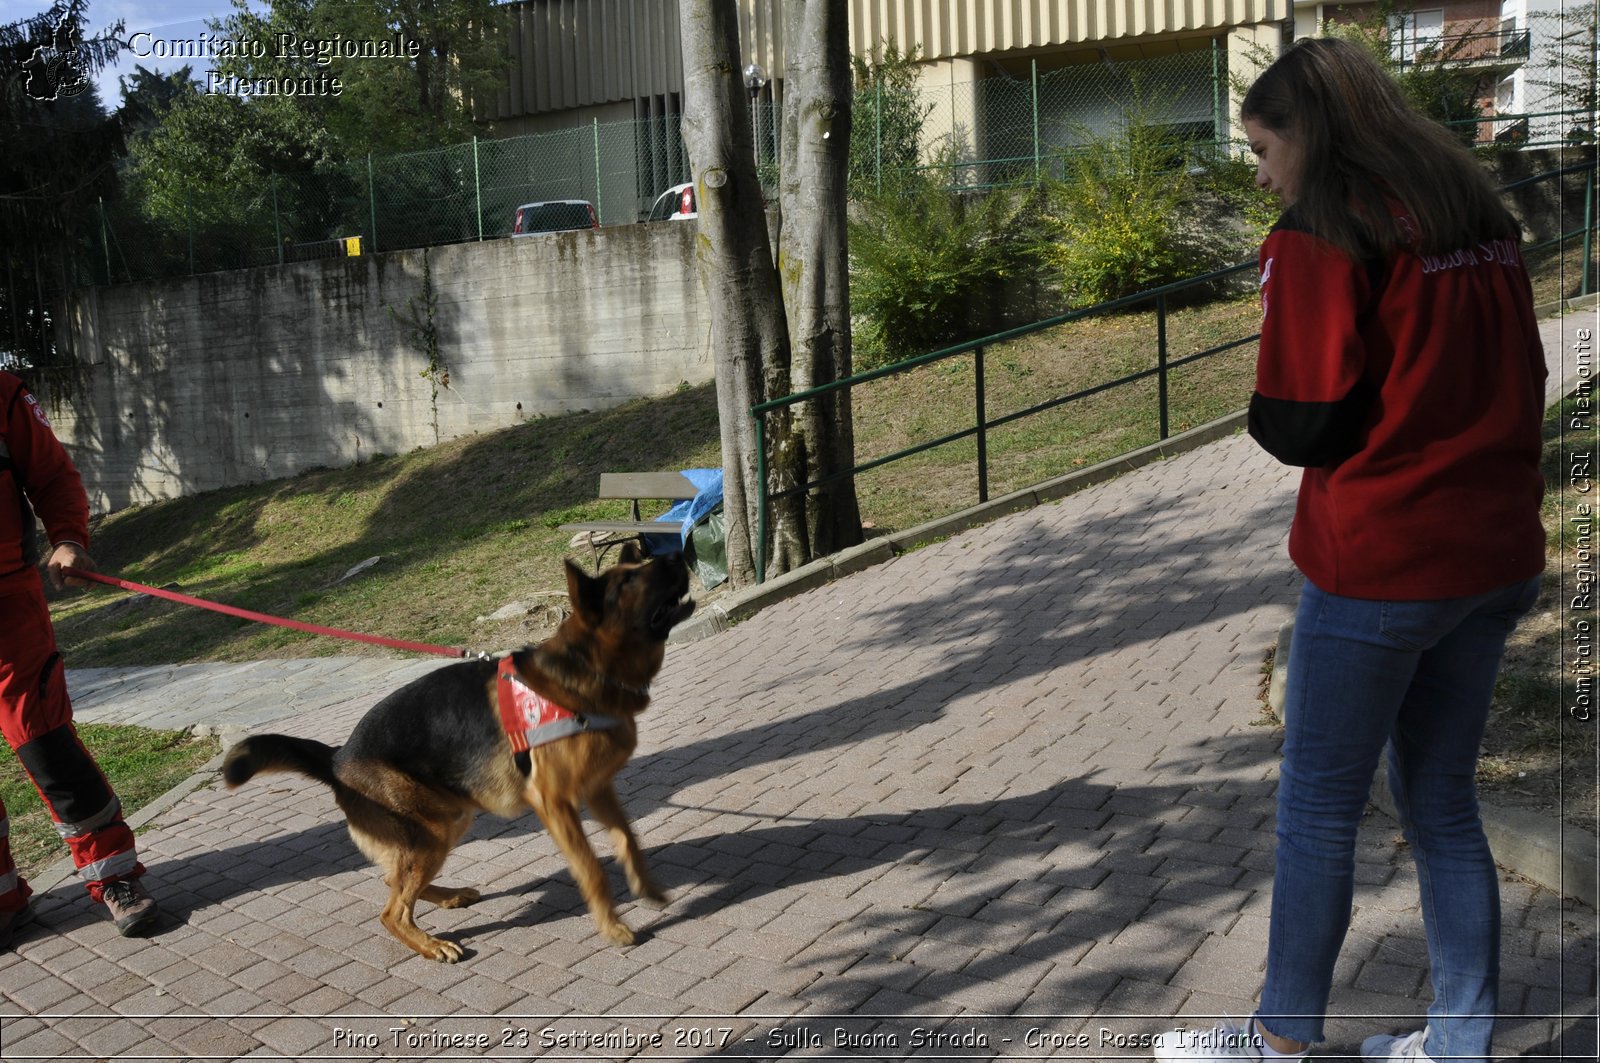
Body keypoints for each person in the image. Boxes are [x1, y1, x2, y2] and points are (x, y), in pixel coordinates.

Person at [1154, 37, 1546, 1063]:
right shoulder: (1478, 216)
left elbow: (1301, 421)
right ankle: (1457, 1042)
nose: (1260, 171)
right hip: (1491, 551)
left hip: (1379, 558)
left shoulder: (1321, 234)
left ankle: (1278, 1039)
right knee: (1443, 802)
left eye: (1261, 149)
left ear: (1307, 138)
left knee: (1317, 810)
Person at [0, 370, 160, 945]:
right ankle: (4, 902)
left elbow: (50, 474)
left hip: (7, 606)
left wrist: (68, 536)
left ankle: (115, 877)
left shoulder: (2, 394)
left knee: (44, 744)